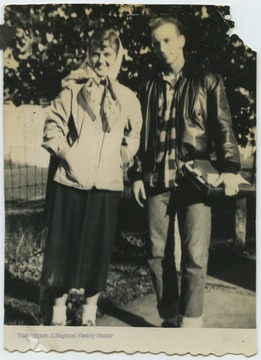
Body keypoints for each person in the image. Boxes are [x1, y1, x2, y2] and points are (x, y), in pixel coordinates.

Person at [129, 16, 241, 328]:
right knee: (155, 253)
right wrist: (136, 175)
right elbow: (136, 136)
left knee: (194, 255)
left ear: (181, 41)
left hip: (195, 179)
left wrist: (230, 168)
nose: (162, 48)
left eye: (168, 40)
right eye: (156, 42)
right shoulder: (147, 85)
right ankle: (168, 316)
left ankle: (190, 323)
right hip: (155, 180)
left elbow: (223, 127)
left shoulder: (206, 80)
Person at [40, 28, 142, 326]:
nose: (100, 60)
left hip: (106, 185)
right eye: (95, 53)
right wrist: (69, 155)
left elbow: (134, 134)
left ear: (117, 57)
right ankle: (58, 315)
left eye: (107, 54)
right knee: (63, 247)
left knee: (97, 250)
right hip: (71, 181)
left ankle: (88, 315)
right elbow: (51, 129)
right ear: (88, 53)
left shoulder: (127, 97)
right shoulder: (72, 90)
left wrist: (123, 156)